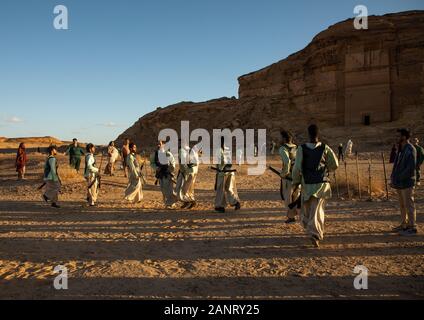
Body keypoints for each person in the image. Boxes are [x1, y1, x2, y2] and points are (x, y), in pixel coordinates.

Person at [292, 125, 339, 248]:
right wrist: (325, 169)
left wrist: (295, 182)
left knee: (307, 210)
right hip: (322, 184)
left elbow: (297, 168)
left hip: (307, 184)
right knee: (318, 210)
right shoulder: (325, 148)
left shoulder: (301, 149)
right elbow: (335, 164)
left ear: (308, 134)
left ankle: (314, 233)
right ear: (319, 134)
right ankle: (314, 232)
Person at [391, 129, 417, 236]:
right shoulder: (401, 149)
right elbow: (396, 165)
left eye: (399, 136)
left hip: (407, 182)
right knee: (402, 205)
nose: (397, 138)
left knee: (409, 205)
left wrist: (399, 177)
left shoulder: (411, 149)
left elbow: (410, 168)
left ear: (405, 137)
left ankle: (412, 227)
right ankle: (404, 224)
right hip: (400, 182)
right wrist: (393, 177)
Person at [278, 130, 300, 224]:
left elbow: (287, 162)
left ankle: (291, 217)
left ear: (283, 139)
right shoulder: (297, 147)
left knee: (288, 197)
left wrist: (284, 174)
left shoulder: (283, 148)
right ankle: (296, 215)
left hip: (289, 177)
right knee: (296, 196)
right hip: (297, 176)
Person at [214, 137, 241, 213]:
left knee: (220, 189)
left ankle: (220, 206)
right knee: (229, 188)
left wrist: (220, 171)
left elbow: (221, 162)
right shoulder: (227, 149)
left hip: (223, 173)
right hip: (230, 171)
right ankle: (235, 202)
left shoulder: (219, 150)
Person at [150, 140, 178, 209]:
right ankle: (170, 202)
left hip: (167, 174)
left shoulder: (168, 153)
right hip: (160, 174)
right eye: (157, 144)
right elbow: (152, 163)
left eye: (160, 144)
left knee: (169, 189)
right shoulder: (154, 154)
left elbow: (173, 162)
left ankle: (170, 204)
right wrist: (156, 168)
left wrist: (171, 169)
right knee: (163, 189)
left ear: (163, 145)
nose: (158, 145)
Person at [176, 140, 199, 209]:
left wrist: (184, 172)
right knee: (189, 188)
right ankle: (188, 201)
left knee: (180, 188)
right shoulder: (191, 150)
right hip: (193, 171)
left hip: (186, 172)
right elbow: (197, 161)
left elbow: (183, 164)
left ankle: (189, 201)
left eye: (179, 143)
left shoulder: (181, 150)